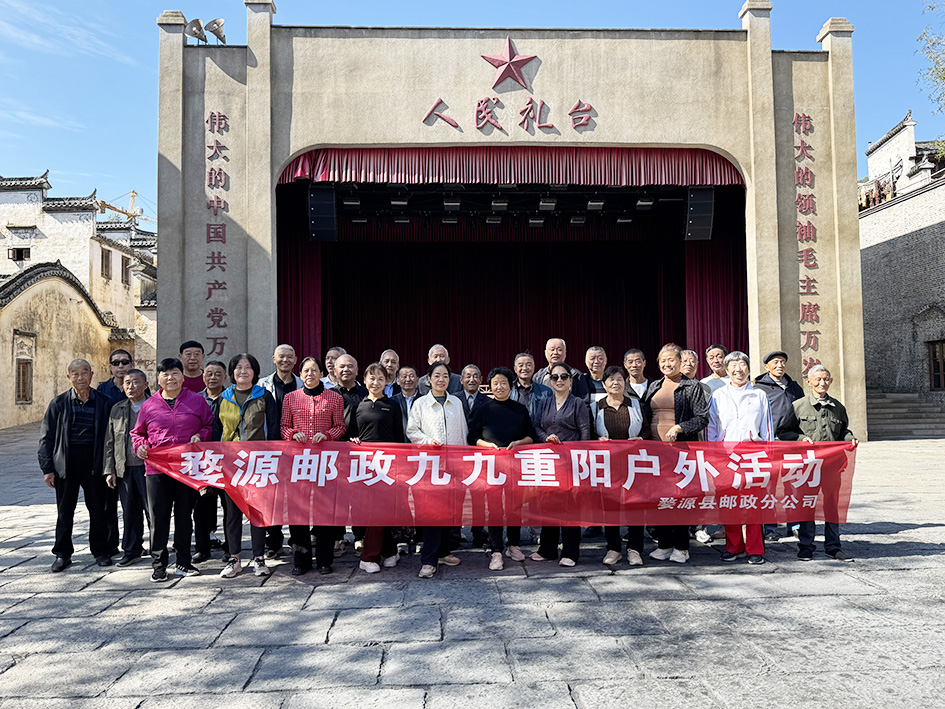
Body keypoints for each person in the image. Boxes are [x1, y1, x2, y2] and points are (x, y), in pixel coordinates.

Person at [131, 358, 212, 582]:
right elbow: (138, 433)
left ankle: (183, 561)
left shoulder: (196, 401)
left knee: (185, 515)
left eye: (175, 373)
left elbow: (209, 425)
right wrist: (141, 446)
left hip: (187, 467)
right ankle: (159, 564)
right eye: (165, 374)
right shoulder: (149, 405)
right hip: (157, 468)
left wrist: (201, 435)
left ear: (182, 376)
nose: (170, 378)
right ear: (158, 379)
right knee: (159, 517)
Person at [38, 359, 112, 572]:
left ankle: (100, 550)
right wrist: (47, 468)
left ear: (92, 375)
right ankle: (62, 553)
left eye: (84, 373)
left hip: (94, 461)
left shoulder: (104, 402)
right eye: (75, 374)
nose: (81, 378)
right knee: (64, 510)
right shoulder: (59, 403)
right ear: (68, 377)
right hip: (66, 463)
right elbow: (46, 437)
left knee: (98, 509)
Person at [215, 353, 281, 579]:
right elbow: (217, 431)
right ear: (232, 372)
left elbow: (273, 429)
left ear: (255, 372)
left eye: (248, 367)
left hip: (258, 462)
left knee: (257, 510)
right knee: (232, 512)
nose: (243, 371)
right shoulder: (223, 398)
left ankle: (259, 558)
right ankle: (234, 558)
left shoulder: (264, 396)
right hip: (231, 463)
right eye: (238, 367)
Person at [642, 343, 709, 563]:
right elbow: (646, 418)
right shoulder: (654, 385)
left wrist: (680, 428)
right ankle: (664, 545)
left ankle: (681, 547)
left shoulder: (692, 386)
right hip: (655, 453)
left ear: (680, 362)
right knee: (660, 499)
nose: (667, 364)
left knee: (680, 499)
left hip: (681, 452)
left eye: (671, 360)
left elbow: (702, 418)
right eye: (663, 361)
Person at [784, 365, 857, 562]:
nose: (822, 383)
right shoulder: (798, 406)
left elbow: (844, 431)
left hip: (832, 466)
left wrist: (850, 438)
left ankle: (833, 546)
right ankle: (806, 546)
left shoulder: (838, 407)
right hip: (808, 466)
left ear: (830, 381)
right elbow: (784, 432)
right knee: (808, 504)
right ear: (809, 381)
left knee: (832, 506)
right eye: (817, 379)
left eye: (825, 379)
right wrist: (801, 438)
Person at [281, 356, 347, 575]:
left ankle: (324, 560)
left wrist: (327, 435)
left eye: (314, 370)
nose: (310, 374)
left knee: (325, 510)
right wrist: (293, 434)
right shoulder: (290, 398)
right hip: (298, 463)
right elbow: (283, 427)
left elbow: (340, 426)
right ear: (300, 375)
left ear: (322, 374)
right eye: (306, 371)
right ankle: (301, 560)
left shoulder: (334, 398)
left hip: (325, 462)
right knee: (297, 510)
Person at [706, 351, 773, 565]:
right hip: (726, 455)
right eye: (733, 365)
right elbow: (711, 427)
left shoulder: (759, 395)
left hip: (753, 454)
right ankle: (733, 546)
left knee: (753, 503)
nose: (738, 369)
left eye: (742, 364)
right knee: (729, 503)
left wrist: (768, 455)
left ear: (748, 368)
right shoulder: (718, 395)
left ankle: (755, 549)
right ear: (727, 369)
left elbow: (767, 428)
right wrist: (713, 455)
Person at [468, 366, 535, 570]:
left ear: (510, 385)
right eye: (495, 383)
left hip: (515, 466)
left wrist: (519, 443)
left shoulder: (520, 409)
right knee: (494, 507)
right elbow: (472, 437)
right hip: (492, 467)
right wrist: (487, 446)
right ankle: (496, 550)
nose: (499, 387)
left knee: (515, 506)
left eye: (503, 383)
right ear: (490, 386)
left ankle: (513, 545)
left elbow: (531, 436)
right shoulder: (482, 410)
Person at [406, 362, 468, 578]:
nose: (441, 380)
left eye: (445, 376)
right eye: (437, 376)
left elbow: (463, 432)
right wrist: (427, 441)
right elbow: (412, 431)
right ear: (429, 379)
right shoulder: (421, 403)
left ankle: (443, 552)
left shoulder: (456, 402)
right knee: (432, 512)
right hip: (430, 467)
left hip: (454, 465)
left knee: (451, 510)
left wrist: (465, 461)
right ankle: (428, 560)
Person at [530, 363, 590, 567]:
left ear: (571, 380)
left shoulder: (578, 403)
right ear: (550, 380)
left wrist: (580, 459)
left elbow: (585, 432)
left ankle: (570, 552)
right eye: (555, 377)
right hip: (549, 461)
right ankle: (547, 549)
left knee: (570, 507)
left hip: (571, 461)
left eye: (564, 376)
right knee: (548, 505)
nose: (560, 380)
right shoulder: (544, 402)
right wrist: (546, 438)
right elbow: (536, 426)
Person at [350, 362, 405, 574]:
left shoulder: (392, 405)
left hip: (388, 465)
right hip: (365, 466)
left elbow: (399, 438)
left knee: (382, 510)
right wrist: (354, 440)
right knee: (373, 511)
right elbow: (351, 433)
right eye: (371, 378)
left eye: (380, 378)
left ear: (387, 381)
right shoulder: (359, 405)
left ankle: (372, 555)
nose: (376, 382)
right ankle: (384, 553)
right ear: (364, 380)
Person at [592, 366, 646, 566]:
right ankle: (613, 548)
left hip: (633, 464)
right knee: (610, 507)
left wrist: (641, 438)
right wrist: (597, 440)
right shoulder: (595, 406)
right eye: (611, 380)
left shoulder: (635, 404)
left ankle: (635, 549)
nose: (615, 383)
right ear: (604, 384)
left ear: (625, 383)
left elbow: (647, 428)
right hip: (607, 465)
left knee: (636, 506)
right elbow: (589, 433)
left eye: (619, 379)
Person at [753, 349, 805, 541]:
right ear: (767, 366)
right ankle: (769, 527)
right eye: (775, 362)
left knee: (794, 485)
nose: (780, 365)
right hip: (768, 444)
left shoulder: (794, 387)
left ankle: (795, 525)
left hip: (791, 443)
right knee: (769, 487)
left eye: (782, 362)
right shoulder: (759, 388)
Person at [258, 344, 303, 559]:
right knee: (271, 498)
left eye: (289, 357)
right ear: (273, 359)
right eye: (281, 356)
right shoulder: (262, 385)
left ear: (295, 360)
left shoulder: (302, 384)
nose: (285, 360)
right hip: (270, 448)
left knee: (296, 498)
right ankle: (273, 541)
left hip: (297, 451)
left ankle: (297, 541)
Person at [104, 369, 151, 567]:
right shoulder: (117, 409)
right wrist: (110, 470)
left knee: (152, 511)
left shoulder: (155, 406)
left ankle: (158, 550)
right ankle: (132, 550)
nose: (131, 386)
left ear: (146, 384)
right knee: (129, 511)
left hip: (150, 469)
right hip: (125, 468)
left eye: (135, 382)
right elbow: (110, 441)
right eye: (127, 383)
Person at [97, 348, 139, 555]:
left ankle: (136, 545)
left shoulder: (141, 390)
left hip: (134, 456)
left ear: (131, 364)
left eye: (125, 362)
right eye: (116, 363)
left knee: (134, 505)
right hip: (110, 452)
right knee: (108, 503)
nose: (121, 366)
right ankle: (110, 544)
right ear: (110, 367)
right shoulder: (102, 391)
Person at [193, 360, 227, 563]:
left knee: (229, 505)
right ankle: (202, 547)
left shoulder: (231, 398)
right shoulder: (194, 400)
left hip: (227, 459)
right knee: (201, 505)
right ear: (203, 376)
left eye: (218, 374)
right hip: (202, 460)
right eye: (209, 374)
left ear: (225, 377)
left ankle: (231, 548)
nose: (213, 377)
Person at [510, 352, 552, 427]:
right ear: (515, 369)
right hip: (513, 431)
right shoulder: (508, 390)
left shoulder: (546, 392)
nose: (525, 368)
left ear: (533, 367)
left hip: (537, 432)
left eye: (529, 365)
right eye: (521, 365)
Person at [334, 354, 368, 440]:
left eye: (350, 366)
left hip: (361, 443)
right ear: (335, 371)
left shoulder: (367, 394)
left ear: (356, 371)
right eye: (342, 366)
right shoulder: (329, 394)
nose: (346, 369)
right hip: (335, 444)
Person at [392, 365, 420, 432]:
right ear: (397, 381)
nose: (408, 379)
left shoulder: (424, 400)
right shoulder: (392, 401)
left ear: (417, 380)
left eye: (411, 376)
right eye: (404, 377)